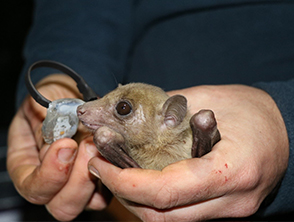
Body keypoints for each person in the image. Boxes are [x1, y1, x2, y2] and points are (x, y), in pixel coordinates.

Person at [7, 1, 294, 221]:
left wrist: (284, 117)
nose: (85, 110)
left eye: (122, 109)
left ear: (170, 120)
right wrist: (63, 74)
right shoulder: (112, 139)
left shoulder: (193, 130)